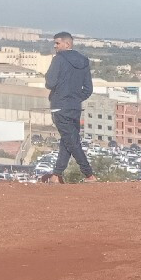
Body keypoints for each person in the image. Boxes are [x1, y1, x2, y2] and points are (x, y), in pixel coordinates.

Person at [42, 31, 96, 183]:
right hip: (75, 108)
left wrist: (62, 96)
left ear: (67, 44)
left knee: (72, 142)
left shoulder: (58, 60)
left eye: (57, 43)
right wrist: (75, 99)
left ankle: (89, 175)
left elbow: (50, 83)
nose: (55, 46)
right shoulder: (84, 61)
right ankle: (56, 175)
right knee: (68, 140)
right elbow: (88, 89)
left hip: (60, 107)